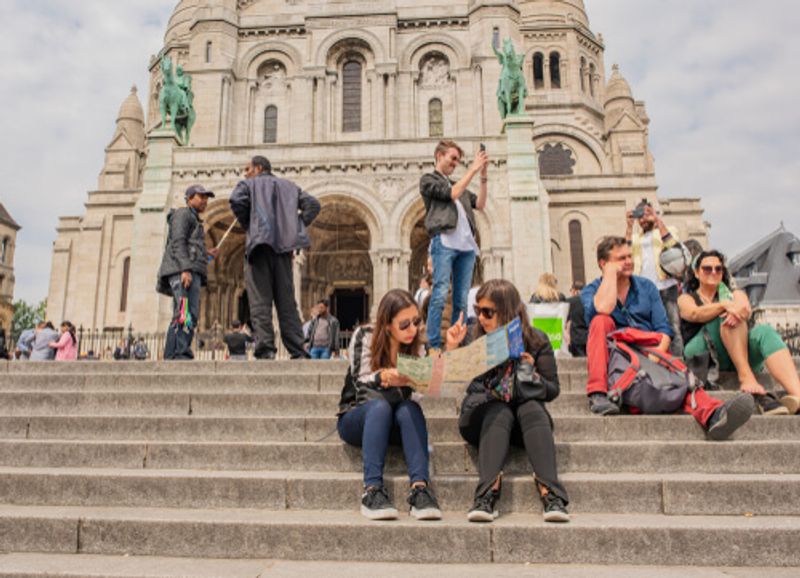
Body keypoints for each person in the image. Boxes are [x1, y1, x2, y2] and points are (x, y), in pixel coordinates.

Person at [581, 236, 753, 440]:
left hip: (650, 349)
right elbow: (603, 309)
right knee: (601, 321)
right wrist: (610, 276)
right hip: (618, 355)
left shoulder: (647, 287)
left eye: (630, 256)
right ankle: (598, 393)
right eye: (621, 258)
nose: (628, 261)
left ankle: (714, 415)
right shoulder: (591, 291)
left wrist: (657, 357)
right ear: (604, 263)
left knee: (678, 380)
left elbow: (664, 329)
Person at [446, 279, 569, 523]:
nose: (480, 317)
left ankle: (551, 494)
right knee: (499, 408)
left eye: (487, 312)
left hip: (525, 424)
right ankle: (486, 495)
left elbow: (552, 389)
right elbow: (449, 382)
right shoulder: (475, 339)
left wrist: (532, 375)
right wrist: (452, 349)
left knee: (531, 406)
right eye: (478, 310)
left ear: (507, 311)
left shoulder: (536, 340)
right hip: (482, 417)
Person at [337, 289, 441, 521]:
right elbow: (358, 380)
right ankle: (372, 490)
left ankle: (420, 490)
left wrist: (421, 379)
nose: (413, 330)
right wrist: (382, 376)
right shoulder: (364, 336)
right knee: (380, 407)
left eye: (416, 322)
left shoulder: (417, 346)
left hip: (396, 421)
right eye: (405, 325)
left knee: (410, 408)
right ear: (386, 325)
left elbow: (420, 397)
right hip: (359, 416)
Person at [679, 250, 800, 415]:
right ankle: (747, 378)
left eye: (718, 269)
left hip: (735, 347)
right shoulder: (686, 298)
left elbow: (743, 309)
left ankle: (797, 394)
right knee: (727, 316)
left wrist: (733, 308)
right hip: (703, 355)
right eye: (707, 268)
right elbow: (694, 313)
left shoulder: (735, 294)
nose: (713, 272)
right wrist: (725, 306)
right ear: (697, 273)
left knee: (764, 331)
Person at [230, 156, 321, 360]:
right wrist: (294, 228)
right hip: (283, 249)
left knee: (260, 301)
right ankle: (298, 349)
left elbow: (236, 200)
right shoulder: (289, 186)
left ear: (258, 168)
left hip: (259, 247)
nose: (245, 173)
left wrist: (250, 224)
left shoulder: (248, 184)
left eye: (248, 168)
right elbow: (313, 205)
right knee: (287, 302)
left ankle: (266, 349)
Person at [420, 140, 488, 350]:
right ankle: (432, 343)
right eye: (453, 158)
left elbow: (481, 204)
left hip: (466, 246)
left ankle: (458, 342)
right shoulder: (428, 180)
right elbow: (451, 194)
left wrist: (483, 176)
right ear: (439, 156)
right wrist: (473, 170)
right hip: (445, 241)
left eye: (458, 160)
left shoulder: (462, 188)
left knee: (461, 298)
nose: (455, 163)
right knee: (439, 292)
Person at [156, 184, 219, 360]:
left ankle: (172, 352)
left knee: (184, 312)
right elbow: (178, 242)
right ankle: (180, 352)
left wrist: (206, 253)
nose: (205, 201)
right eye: (201, 197)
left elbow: (190, 245)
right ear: (190, 198)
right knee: (185, 312)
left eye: (206, 198)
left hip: (189, 271)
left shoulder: (194, 219)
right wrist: (185, 269)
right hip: (181, 272)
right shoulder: (183, 214)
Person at [626, 200, 684, 356]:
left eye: (646, 215)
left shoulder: (667, 230)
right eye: (640, 216)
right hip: (644, 288)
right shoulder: (636, 237)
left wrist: (657, 220)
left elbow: (673, 245)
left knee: (673, 326)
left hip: (665, 284)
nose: (643, 220)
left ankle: (677, 361)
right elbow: (626, 252)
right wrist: (629, 226)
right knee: (646, 326)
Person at [566, 282, 588, 357]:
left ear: (575, 290)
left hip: (576, 337)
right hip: (589, 336)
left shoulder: (569, 301)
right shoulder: (590, 299)